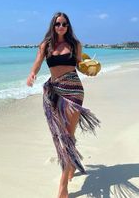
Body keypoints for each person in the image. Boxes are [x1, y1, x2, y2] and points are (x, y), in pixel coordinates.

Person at [26, 12, 100, 198]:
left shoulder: (75, 44)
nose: (61, 27)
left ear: (68, 26)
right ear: (53, 25)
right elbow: (37, 62)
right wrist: (32, 74)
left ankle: (62, 186)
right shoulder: (46, 45)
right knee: (63, 134)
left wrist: (90, 69)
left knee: (67, 135)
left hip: (74, 91)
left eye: (64, 24)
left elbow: (81, 65)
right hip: (54, 91)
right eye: (58, 24)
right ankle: (72, 161)